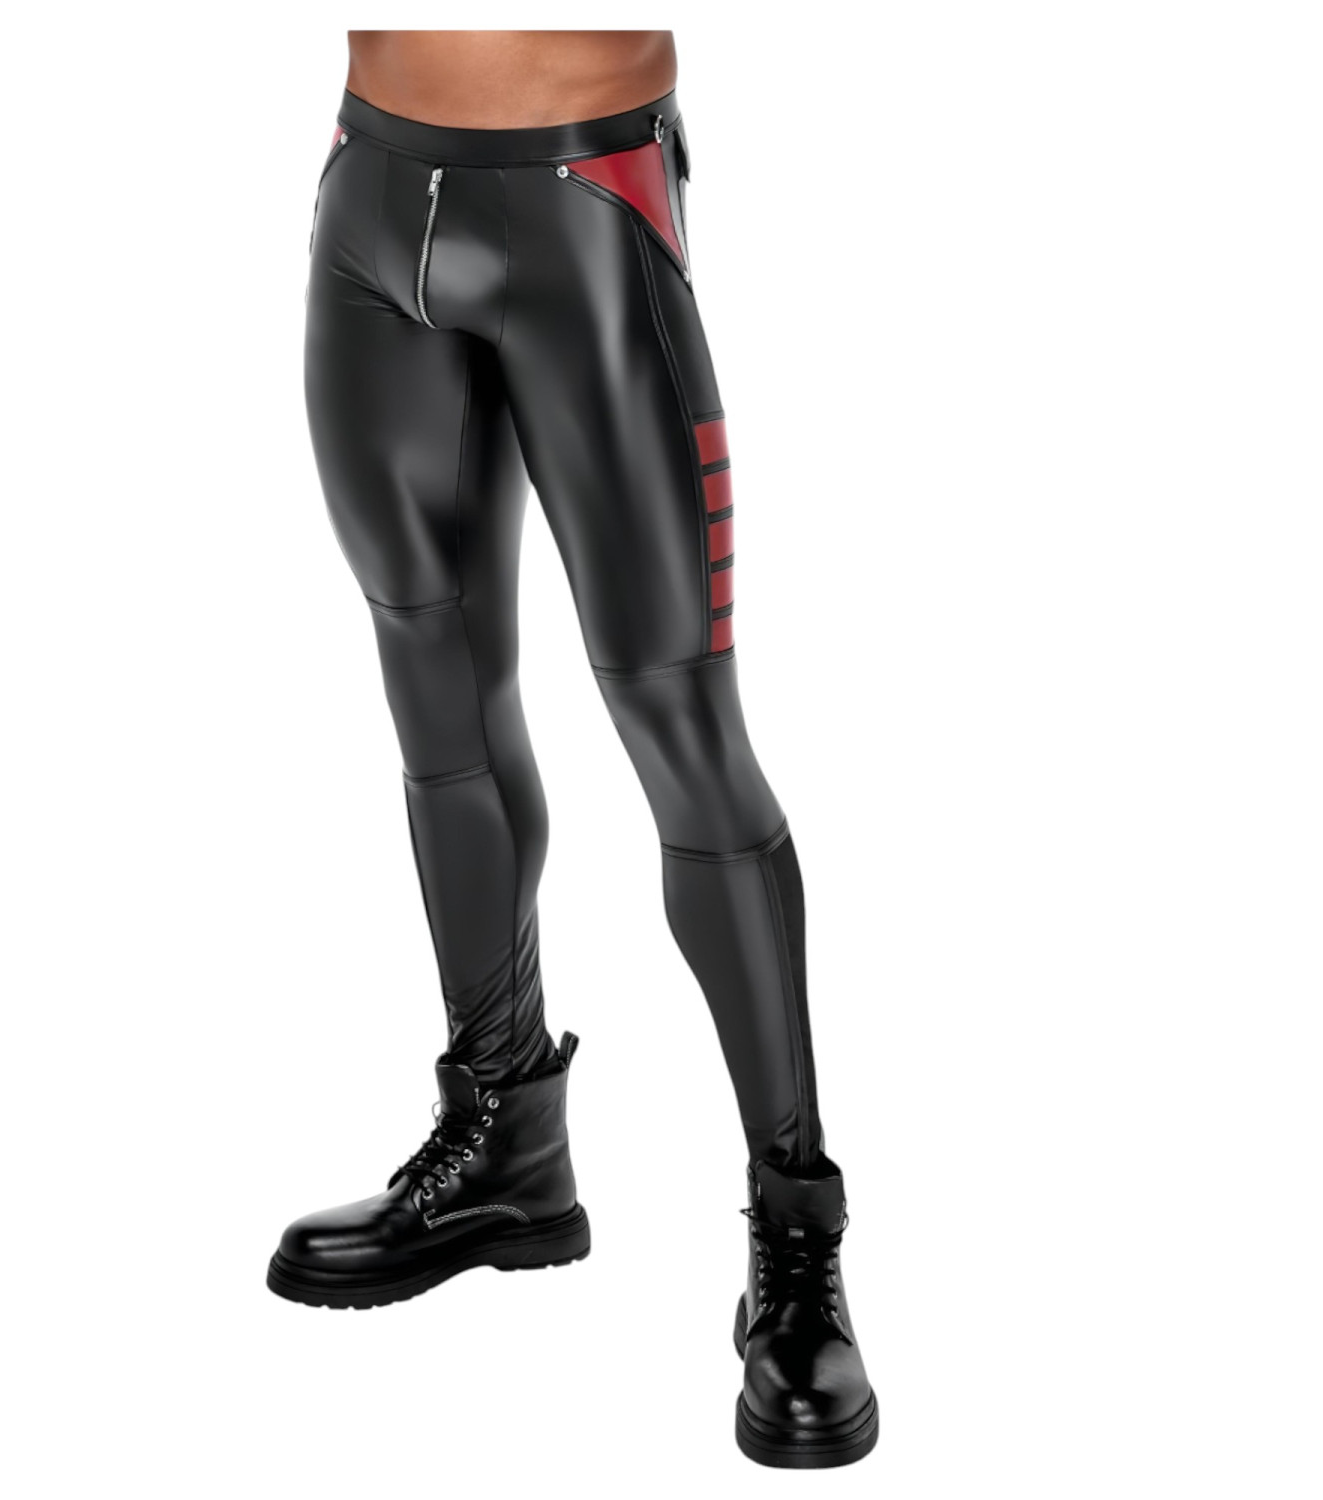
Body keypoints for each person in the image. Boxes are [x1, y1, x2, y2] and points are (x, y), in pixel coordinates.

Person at [266, 30, 878, 1469]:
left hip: (584, 206)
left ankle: (798, 1245)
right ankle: (505, 1144)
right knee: (438, 695)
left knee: (681, 725)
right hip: (371, 201)